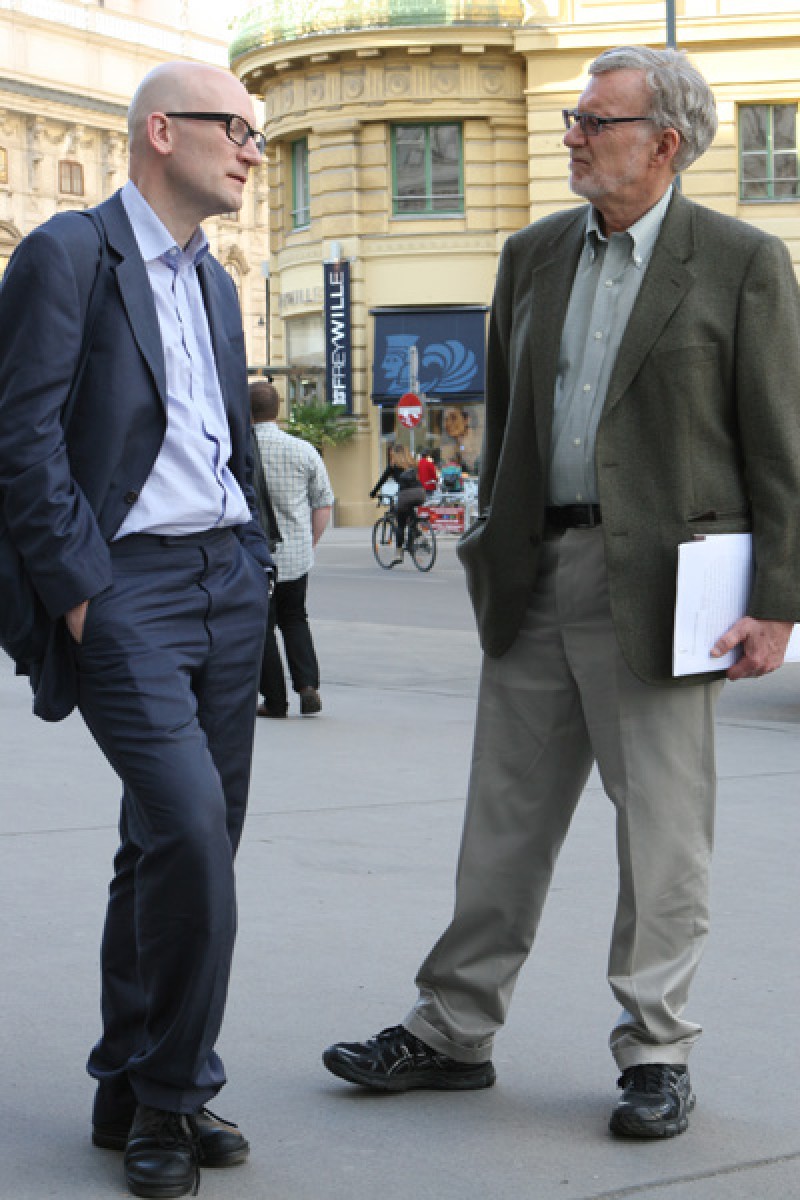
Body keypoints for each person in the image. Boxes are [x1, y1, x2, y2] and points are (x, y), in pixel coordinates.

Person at [323, 46, 800, 1139]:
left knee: (661, 836)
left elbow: (779, 448)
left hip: (667, 588)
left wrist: (775, 599)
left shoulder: (737, 262)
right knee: (501, 823)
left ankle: (654, 1050)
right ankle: (450, 1028)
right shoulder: (532, 253)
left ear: (663, 143)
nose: (572, 135)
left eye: (596, 120)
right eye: (574, 118)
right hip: (536, 572)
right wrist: (492, 536)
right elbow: (508, 421)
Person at [0, 62, 274, 1198]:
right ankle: (173, 1096)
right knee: (193, 836)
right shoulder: (66, 254)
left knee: (164, 846)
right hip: (127, 591)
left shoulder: (213, 281)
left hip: (227, 581)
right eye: (237, 130)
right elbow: (21, 435)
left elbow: (220, 440)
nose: (253, 151)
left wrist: (255, 551)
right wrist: (79, 589)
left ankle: (125, 1080)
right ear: (162, 131)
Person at [250, 379, 334, 718]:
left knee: (262, 627)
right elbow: (323, 504)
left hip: (254, 557)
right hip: (296, 555)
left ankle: (274, 699)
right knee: (295, 618)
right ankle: (307, 684)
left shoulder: (236, 449)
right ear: (278, 410)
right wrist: (308, 543)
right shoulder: (303, 450)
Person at [369, 443, 426, 562]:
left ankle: (399, 553)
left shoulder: (393, 466)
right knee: (410, 515)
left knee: (400, 522)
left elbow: (382, 480)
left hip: (405, 495)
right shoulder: (413, 464)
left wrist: (373, 492)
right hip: (420, 493)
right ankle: (417, 534)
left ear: (394, 454)